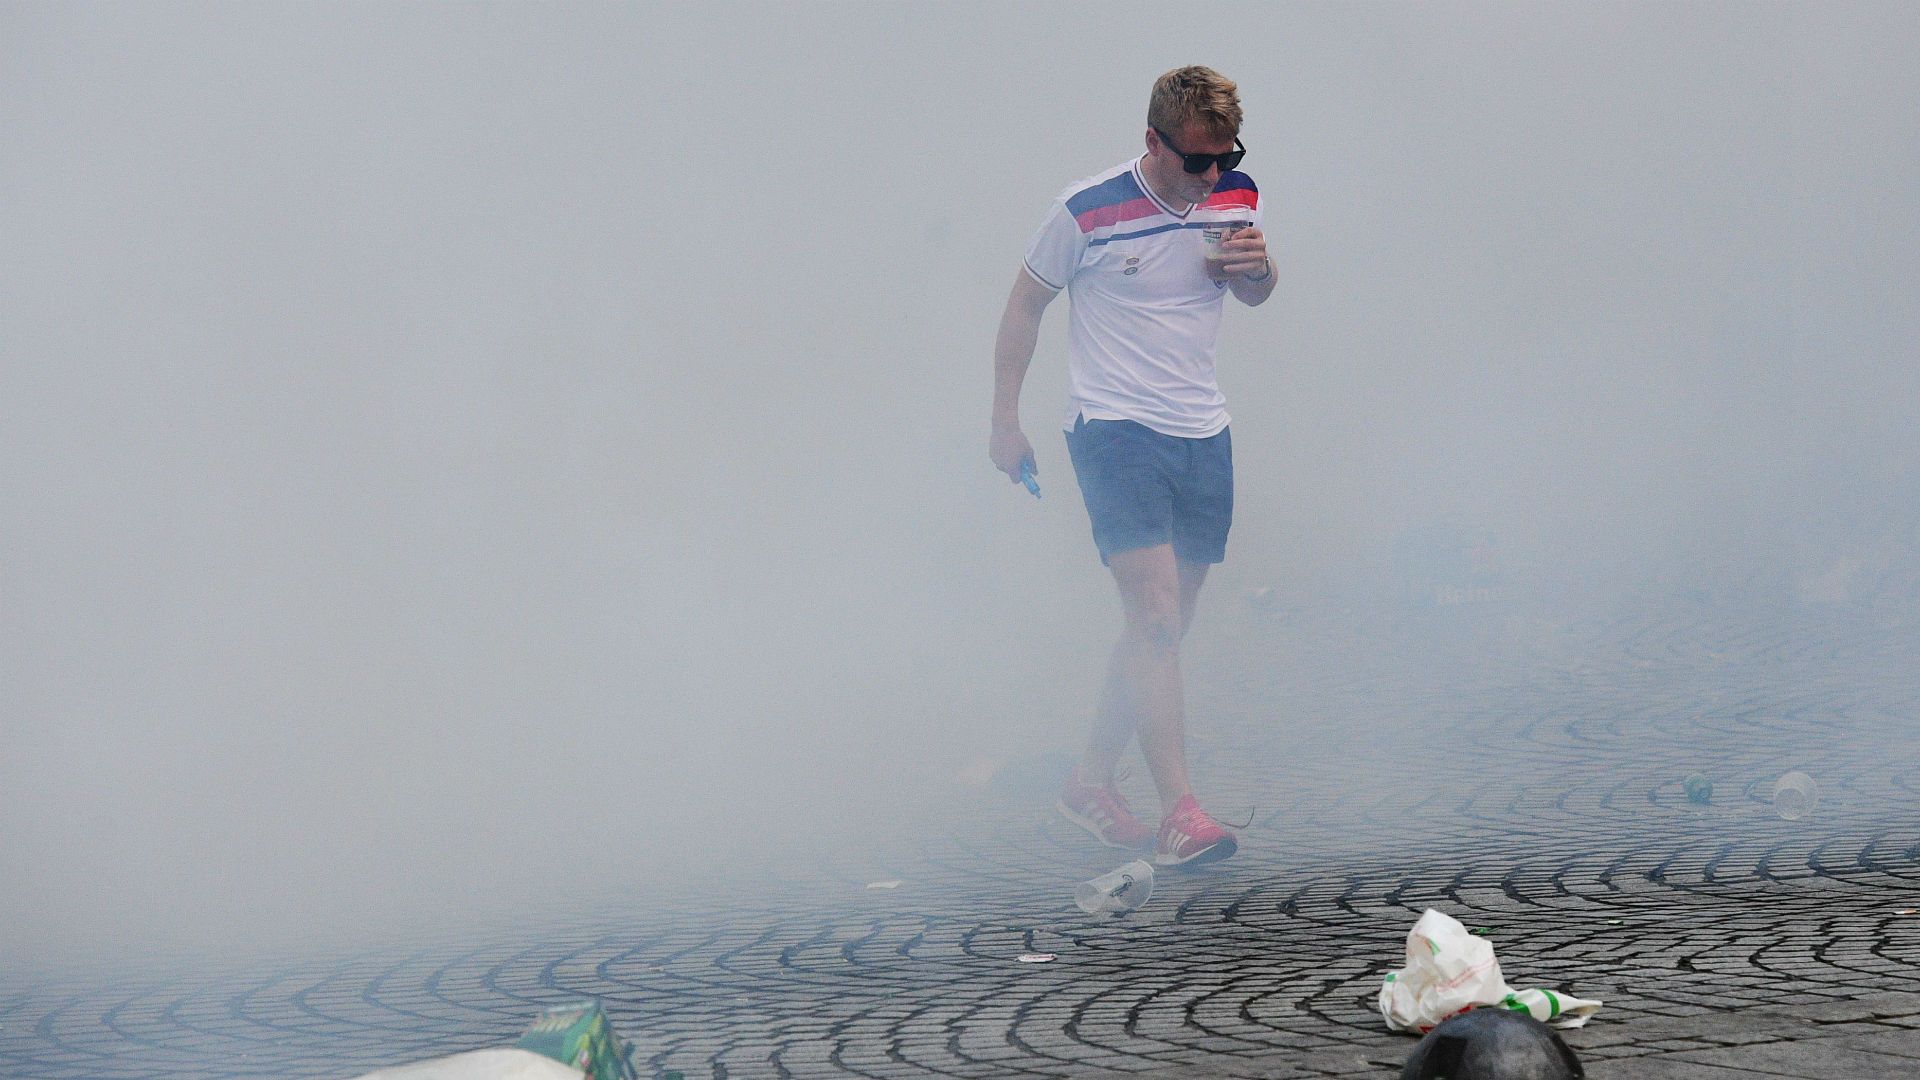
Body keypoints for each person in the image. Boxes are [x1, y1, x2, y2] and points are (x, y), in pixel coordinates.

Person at [988, 66, 1274, 868]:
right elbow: (1025, 304)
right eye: (1196, 159)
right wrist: (1005, 419)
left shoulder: (1233, 195)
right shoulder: (1087, 209)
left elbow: (1255, 294)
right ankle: (1180, 810)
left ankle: (1089, 780)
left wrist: (1257, 268)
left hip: (1202, 429)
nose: (1212, 175)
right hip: (1113, 428)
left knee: (1163, 626)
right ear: (1153, 141)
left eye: (1226, 156)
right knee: (1154, 617)